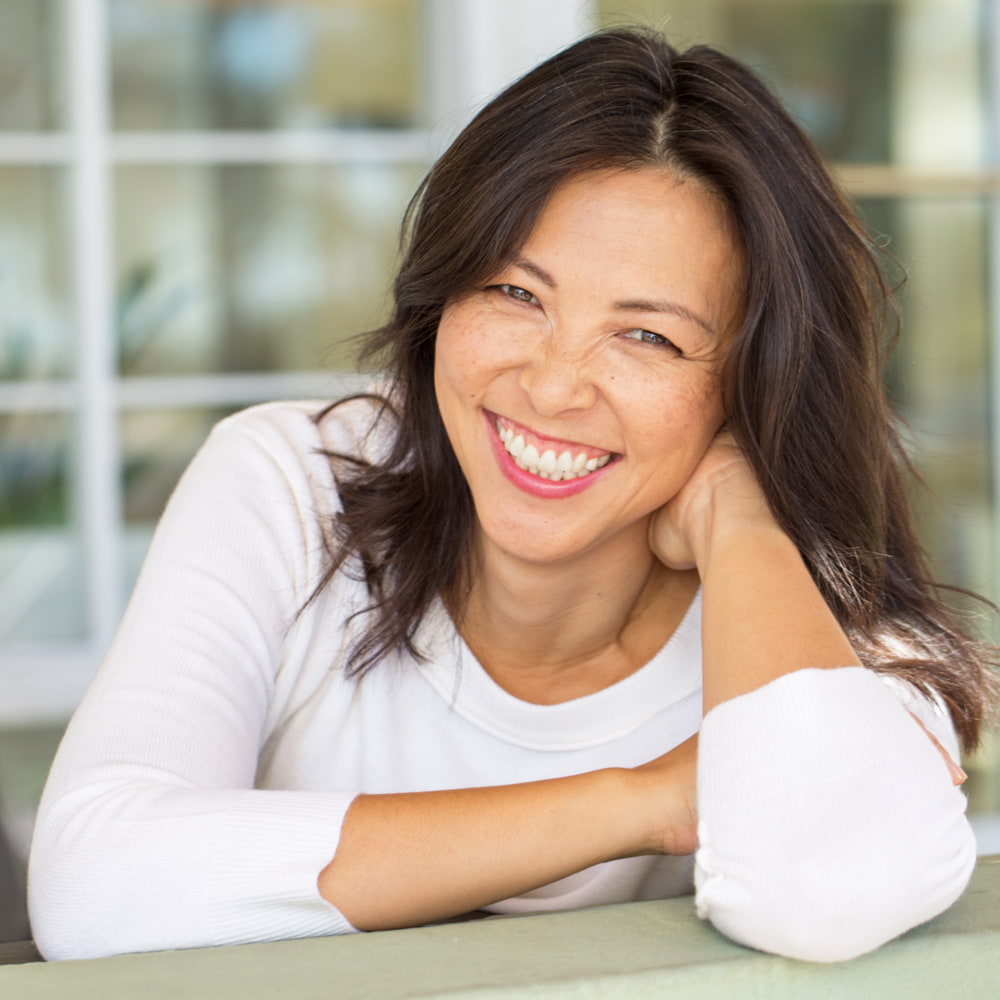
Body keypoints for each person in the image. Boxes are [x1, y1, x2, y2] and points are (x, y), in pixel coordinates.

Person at [28, 27, 996, 963]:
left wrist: (739, 514)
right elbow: (94, 885)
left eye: (647, 337)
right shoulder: (294, 477)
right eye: (514, 294)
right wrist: (645, 799)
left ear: (753, 383)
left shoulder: (823, 618)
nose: (551, 384)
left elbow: (821, 894)